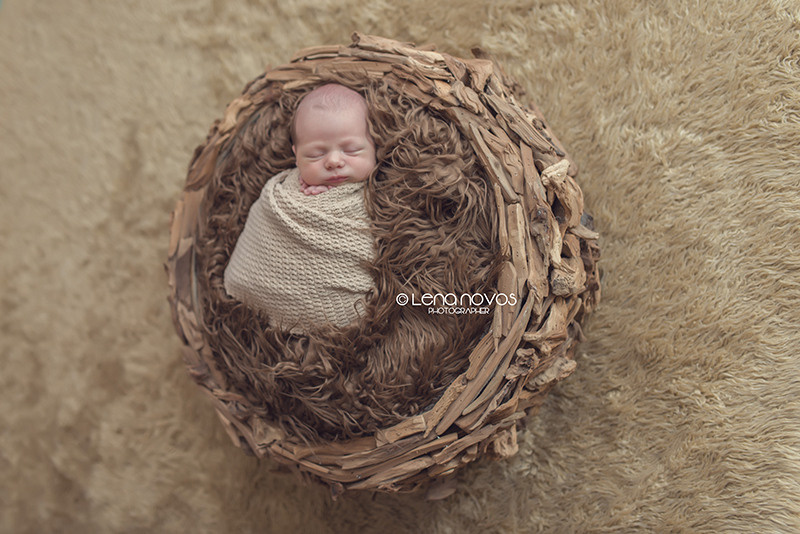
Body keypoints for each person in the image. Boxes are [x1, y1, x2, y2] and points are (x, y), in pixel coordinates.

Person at [223, 84, 376, 331]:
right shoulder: (284, 191)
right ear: (296, 156)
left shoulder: (383, 192)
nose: (334, 161)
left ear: (375, 146)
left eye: (351, 150)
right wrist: (305, 200)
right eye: (316, 155)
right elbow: (263, 225)